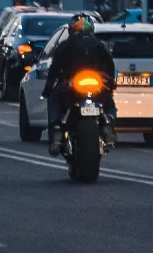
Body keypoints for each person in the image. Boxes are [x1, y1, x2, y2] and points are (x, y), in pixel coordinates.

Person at [42, 14, 117, 156]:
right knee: (109, 102)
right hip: (95, 83)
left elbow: (54, 68)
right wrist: (111, 83)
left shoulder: (66, 45)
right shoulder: (99, 44)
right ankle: (109, 124)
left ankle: (56, 129)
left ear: (72, 29)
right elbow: (110, 64)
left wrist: (48, 89)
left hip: (74, 83)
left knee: (54, 99)